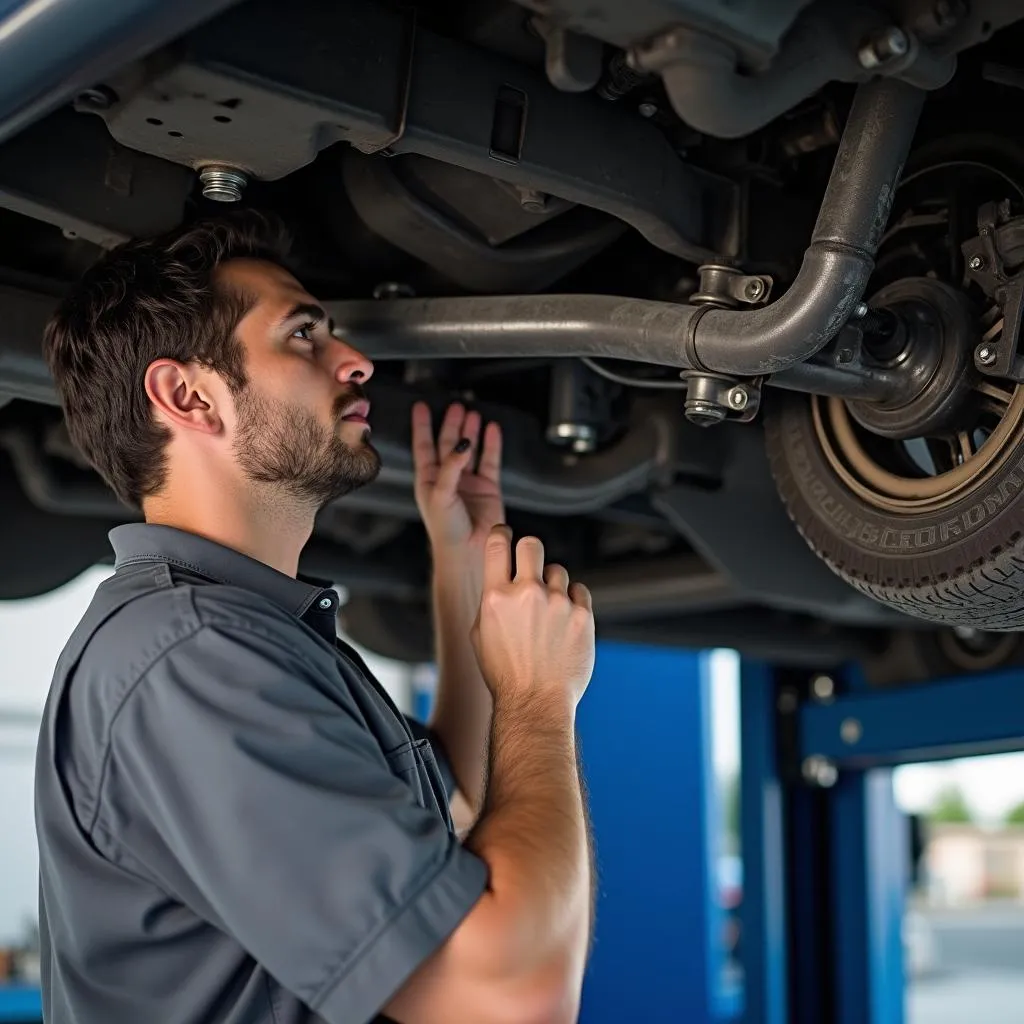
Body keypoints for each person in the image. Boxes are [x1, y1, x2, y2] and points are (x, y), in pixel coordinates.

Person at [35, 212, 596, 1024]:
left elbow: (462, 811)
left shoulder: (241, 638)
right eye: (303, 336)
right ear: (188, 395)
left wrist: (462, 573)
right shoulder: (189, 657)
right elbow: (511, 997)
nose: (357, 362)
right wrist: (541, 701)